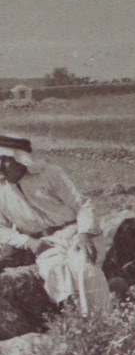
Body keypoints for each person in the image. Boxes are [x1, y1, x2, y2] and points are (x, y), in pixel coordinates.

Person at [0, 134, 112, 316]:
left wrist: (85, 234)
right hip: (44, 243)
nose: (0, 169)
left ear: (19, 159)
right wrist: (28, 242)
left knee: (84, 268)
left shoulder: (50, 174)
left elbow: (82, 204)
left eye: (3, 161)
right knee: (56, 273)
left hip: (75, 232)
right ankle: (80, 326)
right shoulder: (1, 190)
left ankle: (105, 322)